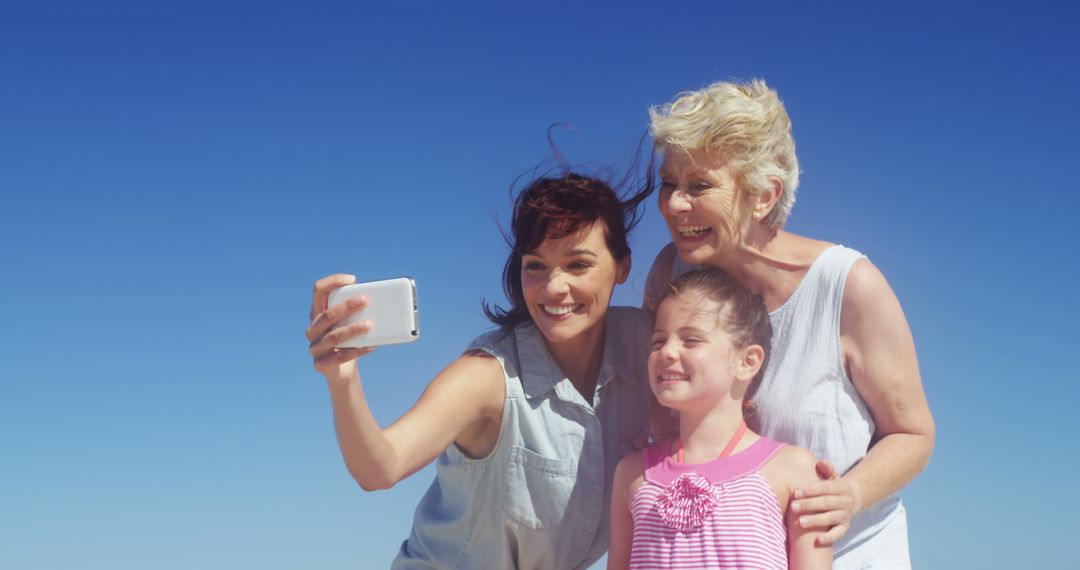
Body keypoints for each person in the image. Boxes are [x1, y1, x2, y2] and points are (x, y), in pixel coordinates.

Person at [643, 79, 935, 569]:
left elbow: (913, 433)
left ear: (763, 195)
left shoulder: (849, 287)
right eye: (669, 183)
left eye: (700, 186)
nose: (674, 205)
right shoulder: (671, 274)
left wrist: (851, 493)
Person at [306, 171, 655, 569]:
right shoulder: (486, 376)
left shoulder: (649, 344)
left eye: (578, 265)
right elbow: (379, 469)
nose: (554, 287)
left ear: (622, 267)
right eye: (536, 265)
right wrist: (343, 379)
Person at [609, 268, 832, 569]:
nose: (667, 352)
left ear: (747, 361)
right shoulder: (632, 474)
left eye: (691, 340)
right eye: (658, 341)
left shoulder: (794, 470)